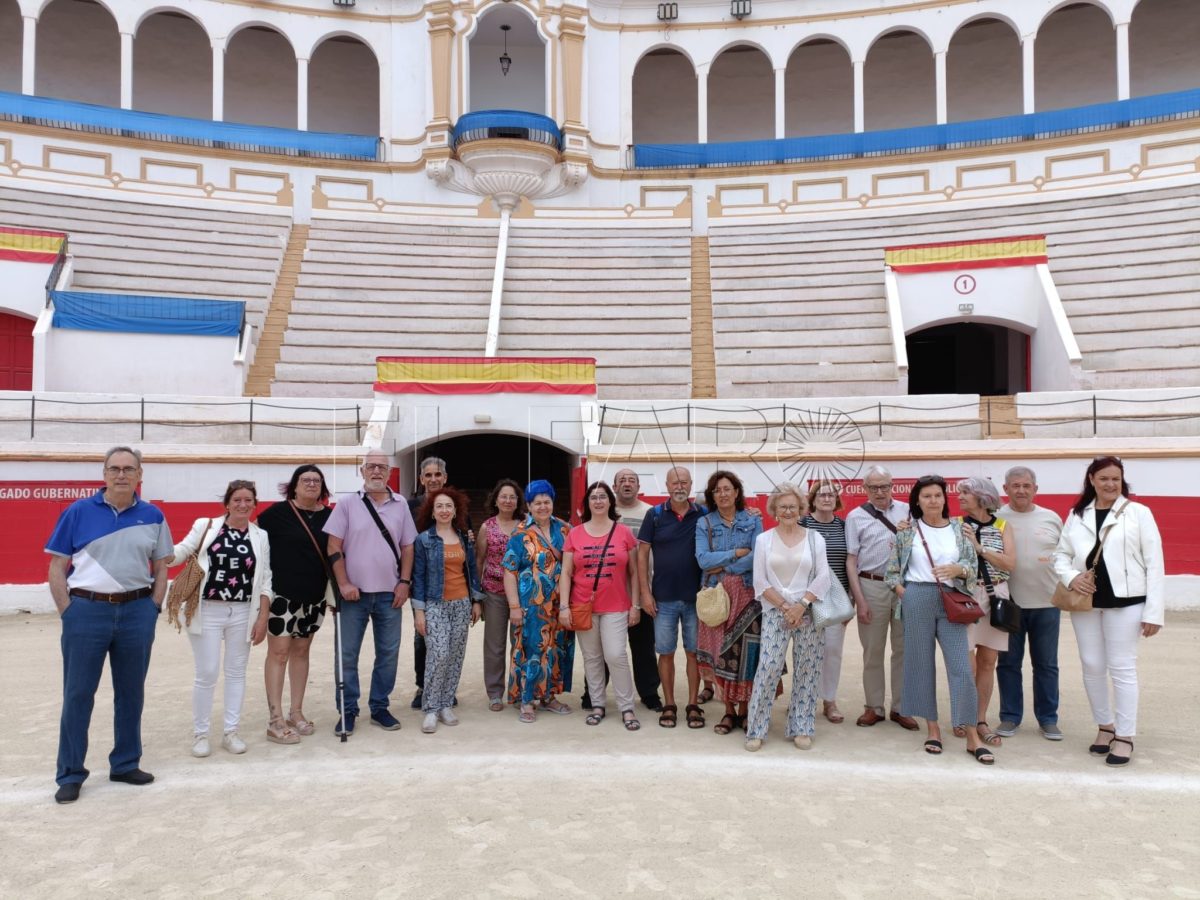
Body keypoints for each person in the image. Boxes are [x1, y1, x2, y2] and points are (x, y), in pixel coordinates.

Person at [46, 446, 173, 804]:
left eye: (128, 469)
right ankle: (71, 773)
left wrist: (154, 607)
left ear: (139, 475)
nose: (121, 475)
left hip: (137, 612)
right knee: (77, 695)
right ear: (103, 474)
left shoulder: (153, 515)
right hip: (86, 611)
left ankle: (125, 763)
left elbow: (162, 566)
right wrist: (67, 611)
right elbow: (57, 566)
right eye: (114, 468)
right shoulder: (78, 512)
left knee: (131, 692)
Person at [1052, 456, 1164, 767]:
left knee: (1122, 667)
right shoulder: (1077, 515)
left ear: (1122, 480)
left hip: (1127, 602)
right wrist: (1072, 577)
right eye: (1104, 479)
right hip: (1086, 601)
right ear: (1091, 479)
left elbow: (1155, 563)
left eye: (1115, 478)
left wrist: (1154, 612)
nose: (1110, 484)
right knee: (1091, 665)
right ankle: (1105, 727)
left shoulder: (1139, 513)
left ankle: (1125, 735)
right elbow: (1060, 555)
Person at [885, 475, 993, 765]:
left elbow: (972, 567)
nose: (933, 500)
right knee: (921, 665)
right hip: (917, 597)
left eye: (937, 495)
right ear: (917, 501)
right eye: (926, 496)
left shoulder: (961, 528)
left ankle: (972, 735)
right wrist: (903, 593)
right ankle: (933, 729)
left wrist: (959, 569)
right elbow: (892, 572)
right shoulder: (907, 532)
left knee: (960, 666)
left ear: (945, 498)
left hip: (952, 598)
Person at [171, 480, 273, 758]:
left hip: (243, 611)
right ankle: (201, 735)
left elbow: (265, 579)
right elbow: (181, 551)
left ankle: (231, 732)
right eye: (237, 499)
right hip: (207, 609)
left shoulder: (260, 536)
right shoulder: (206, 526)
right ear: (227, 503)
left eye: (248, 500)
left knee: (237, 673)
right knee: (207, 673)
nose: (243, 505)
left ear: (255, 504)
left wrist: (263, 616)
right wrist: (162, 553)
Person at [323, 450, 416, 736]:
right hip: (354, 596)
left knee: (388, 654)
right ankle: (348, 710)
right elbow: (333, 546)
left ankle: (379, 707)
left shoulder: (401, 504)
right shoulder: (348, 504)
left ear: (389, 473)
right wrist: (344, 584)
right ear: (363, 471)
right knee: (347, 655)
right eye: (371, 466)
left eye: (382, 467)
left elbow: (407, 547)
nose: (377, 471)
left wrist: (404, 582)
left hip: (390, 594)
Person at [744, 483, 832, 752]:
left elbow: (823, 576)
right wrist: (785, 607)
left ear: (801, 508)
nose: (788, 511)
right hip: (775, 612)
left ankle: (802, 726)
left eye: (793, 506)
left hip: (808, 611)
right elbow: (759, 581)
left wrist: (801, 605)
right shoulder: (763, 540)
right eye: (782, 506)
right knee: (768, 667)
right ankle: (756, 727)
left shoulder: (815, 538)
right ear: (774, 510)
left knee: (808, 668)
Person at [256, 465, 332, 743]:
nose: (311, 484)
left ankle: (295, 712)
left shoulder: (331, 517)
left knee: (301, 652)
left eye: (316, 480)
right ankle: (275, 718)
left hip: (314, 597)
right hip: (282, 597)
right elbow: (258, 551)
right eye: (305, 480)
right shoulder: (275, 516)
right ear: (294, 486)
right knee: (278, 654)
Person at [560, 481, 642, 731]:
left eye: (602, 497)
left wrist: (635, 604)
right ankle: (597, 704)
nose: (598, 501)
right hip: (583, 604)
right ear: (587, 502)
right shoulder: (575, 533)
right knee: (592, 657)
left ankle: (626, 706)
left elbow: (634, 573)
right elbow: (566, 572)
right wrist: (564, 607)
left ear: (610, 501)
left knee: (616, 654)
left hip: (616, 605)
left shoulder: (623, 533)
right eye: (593, 497)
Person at [844, 465, 917, 730]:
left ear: (892, 485)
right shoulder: (855, 517)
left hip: (904, 587)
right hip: (871, 585)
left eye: (884, 486)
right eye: (873, 487)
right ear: (865, 489)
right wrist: (859, 600)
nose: (879, 492)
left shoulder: (909, 511)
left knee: (904, 650)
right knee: (872, 651)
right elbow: (851, 561)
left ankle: (901, 707)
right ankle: (873, 707)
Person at [996, 466, 1064, 740]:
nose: (1021, 490)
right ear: (1006, 489)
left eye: (1026, 485)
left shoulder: (1052, 518)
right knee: (1008, 664)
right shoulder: (996, 519)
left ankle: (1048, 719)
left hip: (1047, 603)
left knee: (1046, 664)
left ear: (1036, 488)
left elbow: (1065, 555)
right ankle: (1010, 717)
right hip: (1009, 605)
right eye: (1015, 485)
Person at [695, 470, 763, 736]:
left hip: (747, 594)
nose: (722, 494)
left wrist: (724, 565)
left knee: (746, 654)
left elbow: (758, 555)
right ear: (712, 496)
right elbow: (702, 560)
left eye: (727, 489)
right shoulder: (705, 523)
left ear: (736, 492)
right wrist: (735, 553)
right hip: (717, 596)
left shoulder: (752, 519)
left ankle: (745, 710)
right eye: (717, 490)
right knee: (721, 652)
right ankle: (728, 712)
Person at [638, 466, 706, 730]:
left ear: (691, 486)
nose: (680, 486)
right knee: (665, 653)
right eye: (675, 482)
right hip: (663, 599)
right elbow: (642, 556)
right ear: (666, 485)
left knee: (693, 654)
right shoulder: (654, 515)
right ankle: (669, 703)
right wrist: (645, 593)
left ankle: (692, 704)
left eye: (685, 482)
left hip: (696, 599)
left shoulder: (702, 514)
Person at [412, 487, 482, 734]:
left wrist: (476, 601)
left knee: (454, 656)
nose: (444, 510)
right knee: (438, 654)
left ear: (455, 511)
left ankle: (445, 704)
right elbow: (418, 577)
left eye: (448, 506)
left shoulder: (463, 537)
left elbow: (471, 570)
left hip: (462, 603)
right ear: (432, 511)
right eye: (439, 506)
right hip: (435, 604)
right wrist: (419, 611)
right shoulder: (424, 540)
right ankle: (430, 708)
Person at [504, 479, 574, 724]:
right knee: (530, 651)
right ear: (529, 506)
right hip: (530, 607)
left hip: (559, 604)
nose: (543, 506)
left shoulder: (565, 530)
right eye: (537, 503)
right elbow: (509, 572)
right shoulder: (520, 533)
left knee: (555, 648)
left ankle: (549, 696)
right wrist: (513, 606)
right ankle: (526, 699)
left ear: (553, 503)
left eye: (547, 501)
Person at [957, 477, 1016, 749]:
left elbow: (1009, 563)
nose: (960, 497)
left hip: (996, 595)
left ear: (982, 496)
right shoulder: (956, 524)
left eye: (966, 492)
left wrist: (981, 549)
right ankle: (965, 717)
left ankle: (981, 720)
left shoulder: (1003, 525)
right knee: (966, 664)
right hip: (965, 597)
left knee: (988, 661)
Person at [611, 468, 662, 711]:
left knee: (643, 647)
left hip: (642, 590)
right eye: (622, 480)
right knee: (607, 648)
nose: (627, 484)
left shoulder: (650, 513)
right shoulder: (607, 513)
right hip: (611, 593)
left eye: (632, 480)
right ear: (614, 487)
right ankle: (593, 694)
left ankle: (649, 693)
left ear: (639, 486)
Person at [802, 480, 849, 725]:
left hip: (835, 599)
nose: (826, 498)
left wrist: (849, 600)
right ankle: (802, 698)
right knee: (804, 652)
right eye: (821, 494)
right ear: (813, 499)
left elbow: (850, 564)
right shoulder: (802, 524)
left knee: (832, 652)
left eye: (831, 495)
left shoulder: (844, 526)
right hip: (806, 598)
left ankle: (829, 700)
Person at [476, 478, 525, 711]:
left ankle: (519, 691)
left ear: (518, 501)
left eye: (512, 497)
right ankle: (495, 693)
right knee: (494, 645)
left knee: (521, 643)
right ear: (495, 500)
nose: (507, 500)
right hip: (494, 593)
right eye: (503, 496)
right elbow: (479, 560)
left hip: (523, 594)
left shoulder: (527, 524)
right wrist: (476, 596)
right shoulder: (487, 526)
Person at [408, 455, 449, 710]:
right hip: (421, 582)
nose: (433, 479)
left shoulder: (455, 504)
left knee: (449, 640)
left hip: (451, 584)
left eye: (438, 475)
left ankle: (444, 687)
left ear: (445, 478)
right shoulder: (410, 507)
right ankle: (423, 685)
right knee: (422, 636)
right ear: (421, 479)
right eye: (428, 475)